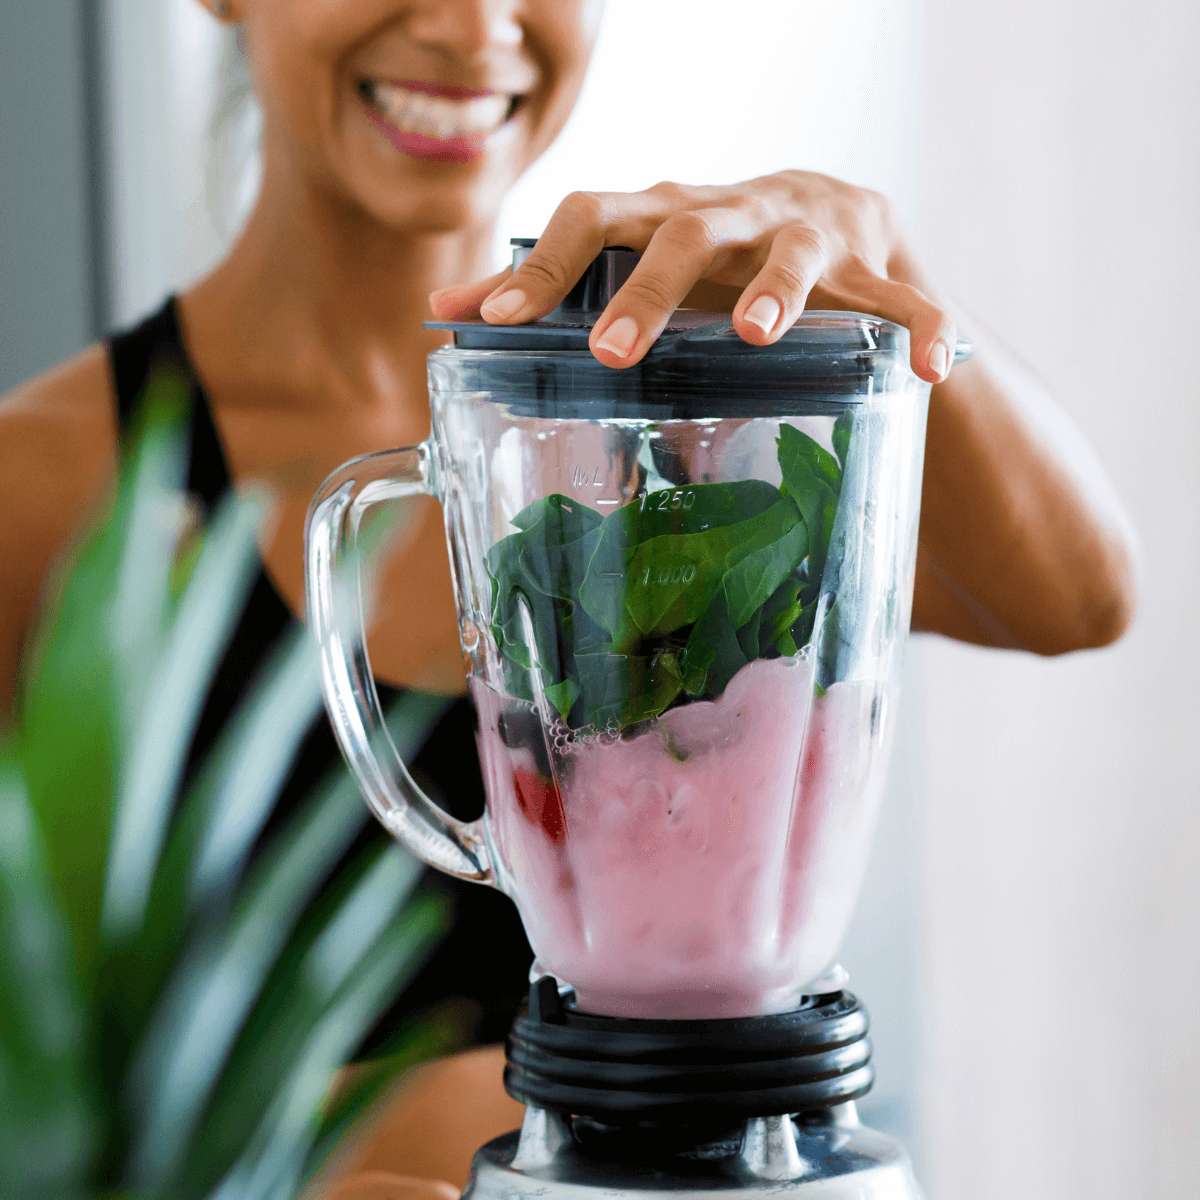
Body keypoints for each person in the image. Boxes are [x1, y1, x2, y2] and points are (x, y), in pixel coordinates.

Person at [0, 1, 1137, 1196]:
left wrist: (889, 278)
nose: (468, 25)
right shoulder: (51, 487)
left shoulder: (692, 403)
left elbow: (1080, 596)